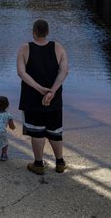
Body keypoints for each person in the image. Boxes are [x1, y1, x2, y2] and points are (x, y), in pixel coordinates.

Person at [17, 19, 69, 175]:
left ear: (33, 32)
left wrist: (39, 88)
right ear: (47, 32)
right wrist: (52, 91)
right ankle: (60, 162)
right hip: (54, 99)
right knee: (55, 130)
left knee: (37, 131)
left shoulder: (25, 48)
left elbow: (21, 72)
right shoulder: (58, 47)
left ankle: (38, 164)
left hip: (32, 98)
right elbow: (64, 72)